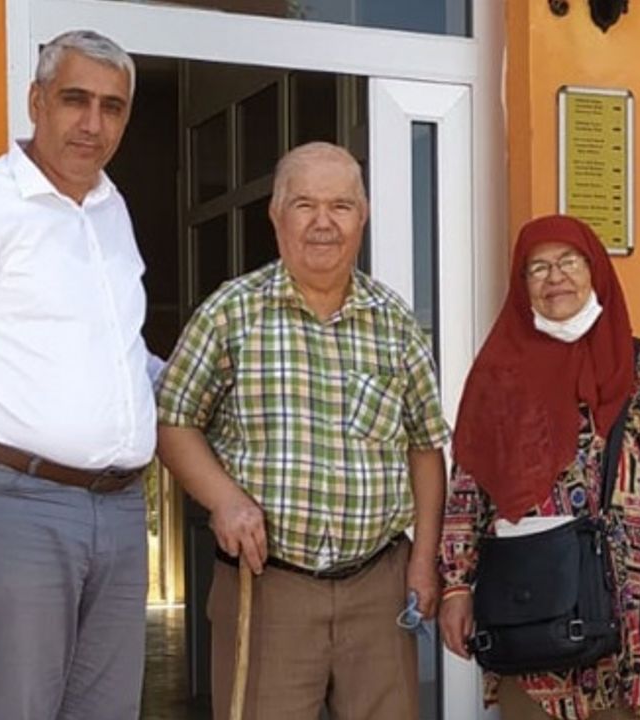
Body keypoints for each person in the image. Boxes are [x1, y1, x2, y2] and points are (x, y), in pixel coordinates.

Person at [0, 30, 161, 720]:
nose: (93, 123)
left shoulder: (111, 211)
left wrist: (205, 378)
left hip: (121, 509)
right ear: (37, 101)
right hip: (19, 506)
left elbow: (119, 353)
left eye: (112, 106)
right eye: (75, 100)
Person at [155, 142, 451, 720]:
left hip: (379, 586)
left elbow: (424, 447)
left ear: (363, 216)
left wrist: (424, 559)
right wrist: (225, 500)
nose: (323, 223)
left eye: (340, 206)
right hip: (268, 587)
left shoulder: (394, 322)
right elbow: (172, 420)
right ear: (276, 215)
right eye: (305, 205)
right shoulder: (231, 312)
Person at [437, 215, 640, 720]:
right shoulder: (499, 376)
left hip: (625, 623)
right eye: (537, 267)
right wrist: (455, 586)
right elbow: (468, 491)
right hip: (529, 619)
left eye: (568, 262)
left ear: (594, 270)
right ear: (522, 285)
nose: (554, 277)